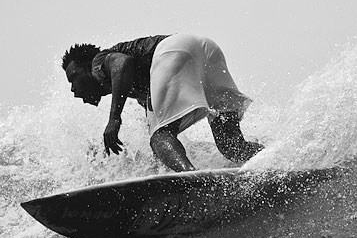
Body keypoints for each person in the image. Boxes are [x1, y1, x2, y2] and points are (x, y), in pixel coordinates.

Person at [62, 33, 263, 172]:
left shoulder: (99, 62)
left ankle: (192, 179)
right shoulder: (139, 85)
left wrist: (115, 118)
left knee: (160, 136)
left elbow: (122, 63)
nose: (73, 89)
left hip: (171, 50)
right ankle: (276, 156)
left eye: (73, 78)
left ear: (88, 68)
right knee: (232, 146)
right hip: (205, 48)